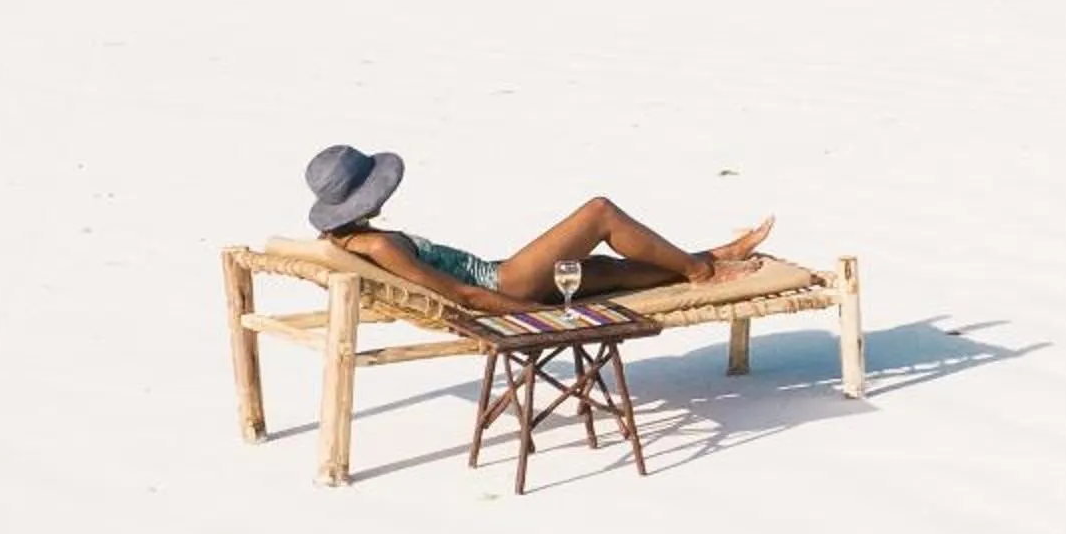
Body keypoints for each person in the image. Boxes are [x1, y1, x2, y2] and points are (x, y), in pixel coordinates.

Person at [302, 143, 769, 316]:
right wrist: (533, 315)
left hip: (501, 274)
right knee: (600, 213)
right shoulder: (379, 246)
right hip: (506, 284)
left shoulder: (348, 239)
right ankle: (702, 272)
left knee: (604, 270)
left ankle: (711, 256)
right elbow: (464, 295)